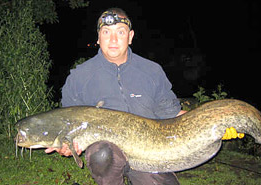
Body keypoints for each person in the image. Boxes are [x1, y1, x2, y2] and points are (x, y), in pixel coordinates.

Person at [45, 8, 244, 185]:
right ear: (98, 37)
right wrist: (67, 146)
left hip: (148, 152)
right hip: (108, 154)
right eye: (106, 32)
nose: (113, 40)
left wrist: (216, 125)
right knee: (102, 154)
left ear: (130, 37)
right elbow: (68, 126)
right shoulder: (79, 77)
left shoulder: (151, 71)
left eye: (120, 32)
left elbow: (173, 114)